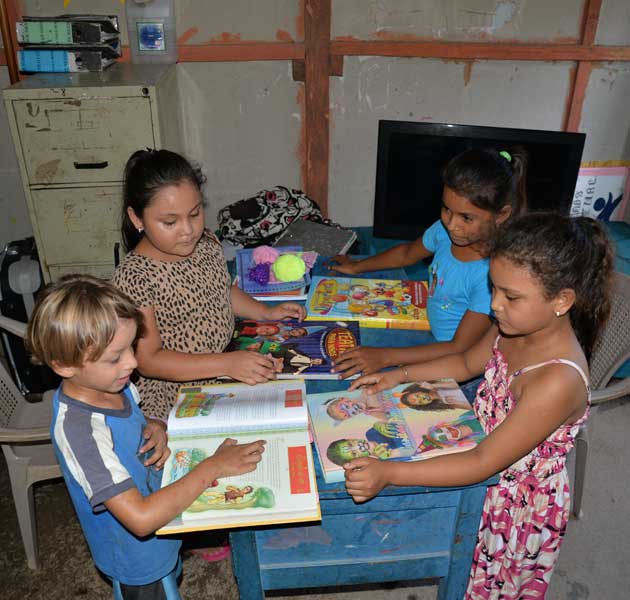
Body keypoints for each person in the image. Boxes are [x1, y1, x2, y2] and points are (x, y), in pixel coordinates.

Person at [342, 213, 614, 598]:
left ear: (562, 300)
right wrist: (399, 373)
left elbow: (482, 462)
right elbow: (466, 363)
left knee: (487, 584)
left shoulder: (557, 380)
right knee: (455, 561)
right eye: (494, 288)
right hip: (480, 458)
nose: (495, 304)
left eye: (510, 296)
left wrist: (389, 473)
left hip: (513, 500)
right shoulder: (513, 325)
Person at [25, 275, 266, 599]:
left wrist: (155, 427)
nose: (133, 363)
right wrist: (213, 467)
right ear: (64, 365)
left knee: (171, 567)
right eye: (115, 357)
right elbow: (140, 519)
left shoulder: (113, 383)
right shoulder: (80, 433)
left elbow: (132, 422)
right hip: (137, 559)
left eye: (131, 346)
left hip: (160, 522)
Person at [111, 149, 305, 420]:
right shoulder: (135, 277)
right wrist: (225, 364)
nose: (188, 230)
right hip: (175, 393)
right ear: (136, 219)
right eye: (170, 222)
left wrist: (264, 312)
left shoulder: (207, 244)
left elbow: (221, 289)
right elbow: (149, 360)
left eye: (194, 213)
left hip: (226, 363)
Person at [329, 147, 528, 380]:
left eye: (466, 217)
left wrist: (384, 357)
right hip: (429, 329)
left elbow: (459, 349)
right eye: (446, 209)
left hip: (450, 359)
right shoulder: (444, 231)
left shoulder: (491, 275)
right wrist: (356, 266)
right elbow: (406, 254)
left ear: (501, 215)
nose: (452, 224)